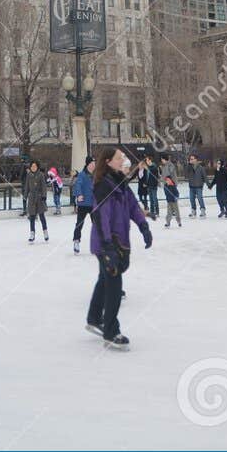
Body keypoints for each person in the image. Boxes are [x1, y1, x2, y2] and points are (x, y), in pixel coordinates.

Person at [86, 146, 153, 350]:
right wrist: (107, 247)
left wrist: (143, 225)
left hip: (118, 241)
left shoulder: (120, 182)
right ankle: (111, 330)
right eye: (119, 157)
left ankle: (94, 317)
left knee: (104, 279)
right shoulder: (103, 186)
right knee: (114, 284)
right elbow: (100, 217)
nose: (123, 160)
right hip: (108, 242)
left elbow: (132, 205)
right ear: (108, 162)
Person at [72, 159, 96, 253]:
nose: (94, 165)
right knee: (79, 223)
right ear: (88, 164)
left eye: (94, 164)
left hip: (93, 204)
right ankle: (76, 241)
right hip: (83, 204)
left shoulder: (96, 175)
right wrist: (79, 195)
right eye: (92, 163)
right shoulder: (82, 174)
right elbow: (78, 185)